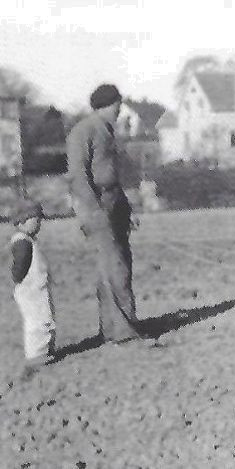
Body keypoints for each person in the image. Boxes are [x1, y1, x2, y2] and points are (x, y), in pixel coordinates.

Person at [66, 83, 147, 344]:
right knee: (114, 266)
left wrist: (126, 209)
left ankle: (115, 329)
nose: (120, 110)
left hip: (113, 202)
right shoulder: (83, 130)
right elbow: (78, 176)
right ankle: (122, 333)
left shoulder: (107, 131)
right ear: (107, 105)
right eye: (117, 105)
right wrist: (94, 210)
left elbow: (113, 176)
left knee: (121, 265)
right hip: (96, 205)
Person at [9, 199, 56, 373]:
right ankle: (36, 355)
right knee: (37, 321)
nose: (39, 224)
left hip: (37, 289)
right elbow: (20, 265)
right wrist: (17, 277)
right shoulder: (22, 242)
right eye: (35, 220)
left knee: (45, 318)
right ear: (21, 221)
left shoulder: (28, 239)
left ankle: (45, 350)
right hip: (31, 290)